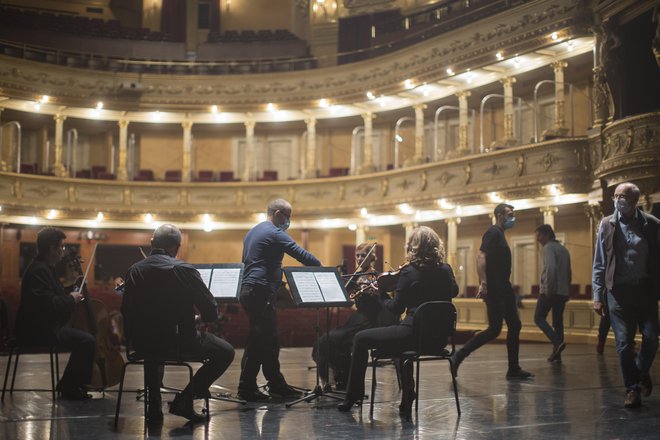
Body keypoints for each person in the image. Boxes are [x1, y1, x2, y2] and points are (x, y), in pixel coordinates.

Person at [337, 226, 459, 417]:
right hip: (439, 338)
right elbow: (454, 292)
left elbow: (395, 308)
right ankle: (408, 392)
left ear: (413, 247)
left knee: (361, 338)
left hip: (413, 334)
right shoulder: (446, 269)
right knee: (402, 346)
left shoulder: (409, 272)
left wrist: (381, 294)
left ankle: (353, 396)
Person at [122, 224, 235, 423]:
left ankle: (154, 408)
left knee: (153, 345)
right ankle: (185, 399)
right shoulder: (184, 269)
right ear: (178, 246)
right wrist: (198, 318)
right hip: (179, 342)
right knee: (226, 352)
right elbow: (210, 313)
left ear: (151, 243)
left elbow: (126, 310)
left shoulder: (134, 270)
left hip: (140, 344)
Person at [238, 199, 322, 402]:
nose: (289, 221)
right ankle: (246, 387)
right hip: (260, 291)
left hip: (250, 290)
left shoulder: (253, 231)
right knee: (259, 341)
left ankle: (276, 383)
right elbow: (303, 256)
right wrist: (323, 268)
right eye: (287, 216)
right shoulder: (274, 233)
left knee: (269, 340)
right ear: (277, 214)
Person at [592, 182, 660, 408]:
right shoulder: (606, 224)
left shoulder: (652, 224)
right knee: (623, 343)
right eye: (615, 195)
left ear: (634, 200)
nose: (617, 199)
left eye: (623, 196)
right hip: (618, 292)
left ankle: (640, 372)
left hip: (645, 290)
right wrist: (597, 294)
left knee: (651, 338)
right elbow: (599, 263)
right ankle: (632, 389)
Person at [451, 203, 533, 380]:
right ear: (499, 215)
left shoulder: (500, 234)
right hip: (495, 289)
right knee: (494, 329)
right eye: (510, 214)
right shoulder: (493, 233)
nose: (513, 217)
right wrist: (484, 283)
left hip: (504, 287)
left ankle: (513, 368)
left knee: (515, 325)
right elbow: (481, 256)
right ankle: (459, 355)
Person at [14, 227, 95, 400]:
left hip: (47, 325)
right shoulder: (39, 270)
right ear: (52, 248)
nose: (63, 251)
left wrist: (73, 288)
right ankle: (69, 387)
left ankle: (70, 384)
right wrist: (70, 299)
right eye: (61, 246)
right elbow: (47, 304)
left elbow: (55, 295)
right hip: (39, 330)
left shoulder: (45, 268)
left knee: (86, 339)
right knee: (87, 341)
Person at [312, 243, 397, 390]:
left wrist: (372, 291)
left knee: (328, 340)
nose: (359, 258)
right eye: (357, 255)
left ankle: (341, 378)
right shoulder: (356, 276)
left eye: (363, 255)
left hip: (369, 321)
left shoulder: (374, 276)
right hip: (356, 318)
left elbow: (381, 300)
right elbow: (346, 296)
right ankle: (341, 378)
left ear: (372, 257)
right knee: (329, 341)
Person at [534, 224, 572, 363]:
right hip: (562, 291)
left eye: (539, 235)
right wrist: (567, 289)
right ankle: (557, 356)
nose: (537, 239)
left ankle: (557, 342)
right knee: (558, 322)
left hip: (550, 290)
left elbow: (551, 269)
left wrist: (549, 289)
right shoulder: (563, 249)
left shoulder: (548, 248)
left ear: (547, 235)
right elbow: (568, 271)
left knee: (538, 318)